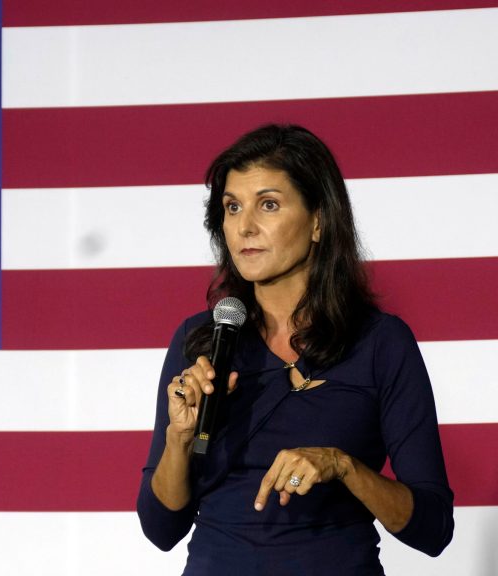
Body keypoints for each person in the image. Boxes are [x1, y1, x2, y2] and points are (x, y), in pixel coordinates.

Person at [136, 124, 454, 575]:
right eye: (231, 207)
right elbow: (160, 528)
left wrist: (344, 467)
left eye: (268, 204)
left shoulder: (381, 343)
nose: (245, 225)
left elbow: (434, 529)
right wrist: (179, 438)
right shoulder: (200, 340)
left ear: (319, 221)